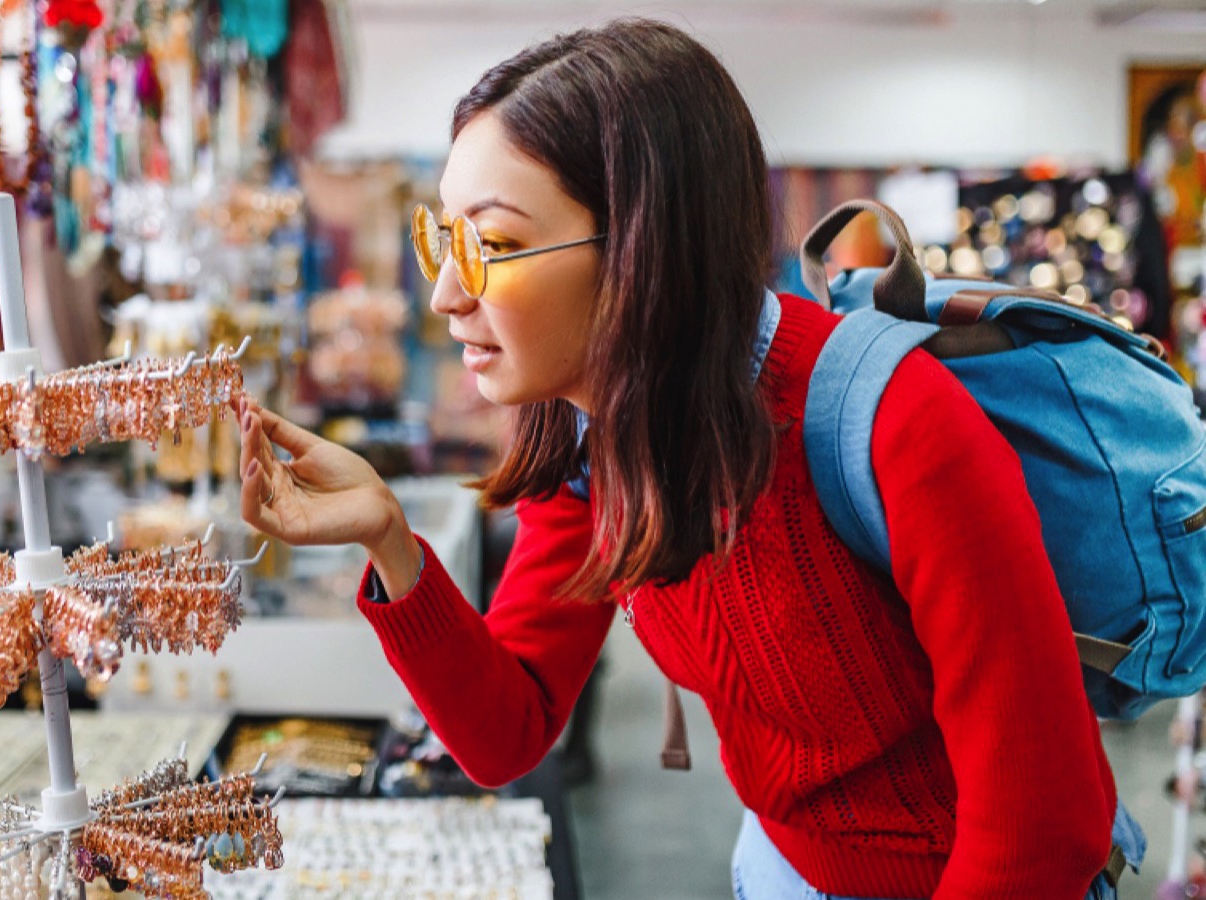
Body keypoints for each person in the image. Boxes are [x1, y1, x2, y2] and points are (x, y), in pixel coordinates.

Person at [235, 18, 1141, 899]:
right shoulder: (594, 434)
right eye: (447, 241)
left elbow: (1041, 826)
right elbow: (509, 729)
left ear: (641, 249)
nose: (443, 294)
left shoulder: (892, 426)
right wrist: (389, 541)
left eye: (495, 246)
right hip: (775, 870)